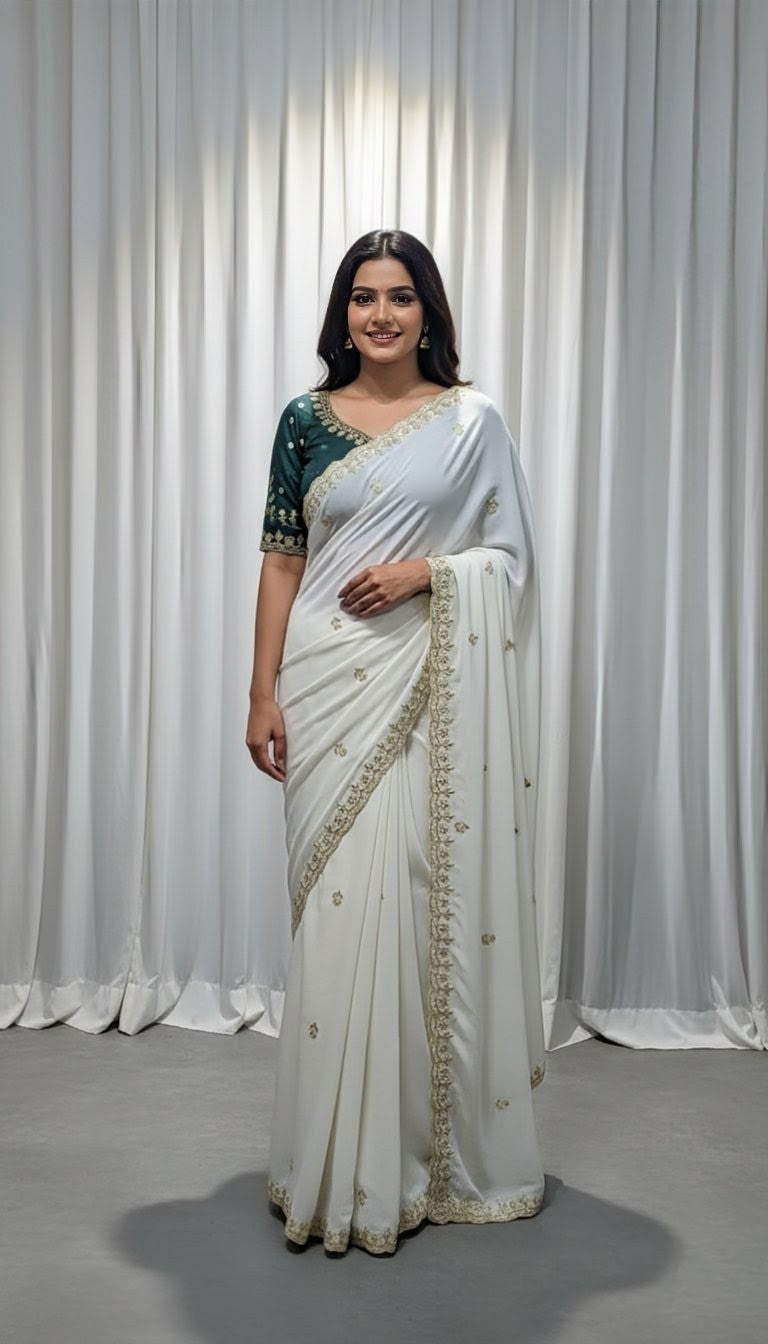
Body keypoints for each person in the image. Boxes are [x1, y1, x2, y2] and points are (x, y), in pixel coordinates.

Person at [246, 229, 546, 1255]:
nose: (380, 315)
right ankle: (324, 1162)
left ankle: (409, 1161)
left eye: (401, 297)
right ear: (343, 314)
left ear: (430, 312)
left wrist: (429, 574)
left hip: (424, 680)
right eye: (363, 299)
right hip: (327, 685)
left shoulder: (470, 421)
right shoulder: (305, 420)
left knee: (411, 898)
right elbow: (284, 562)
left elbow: (508, 556)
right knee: (331, 917)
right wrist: (260, 692)